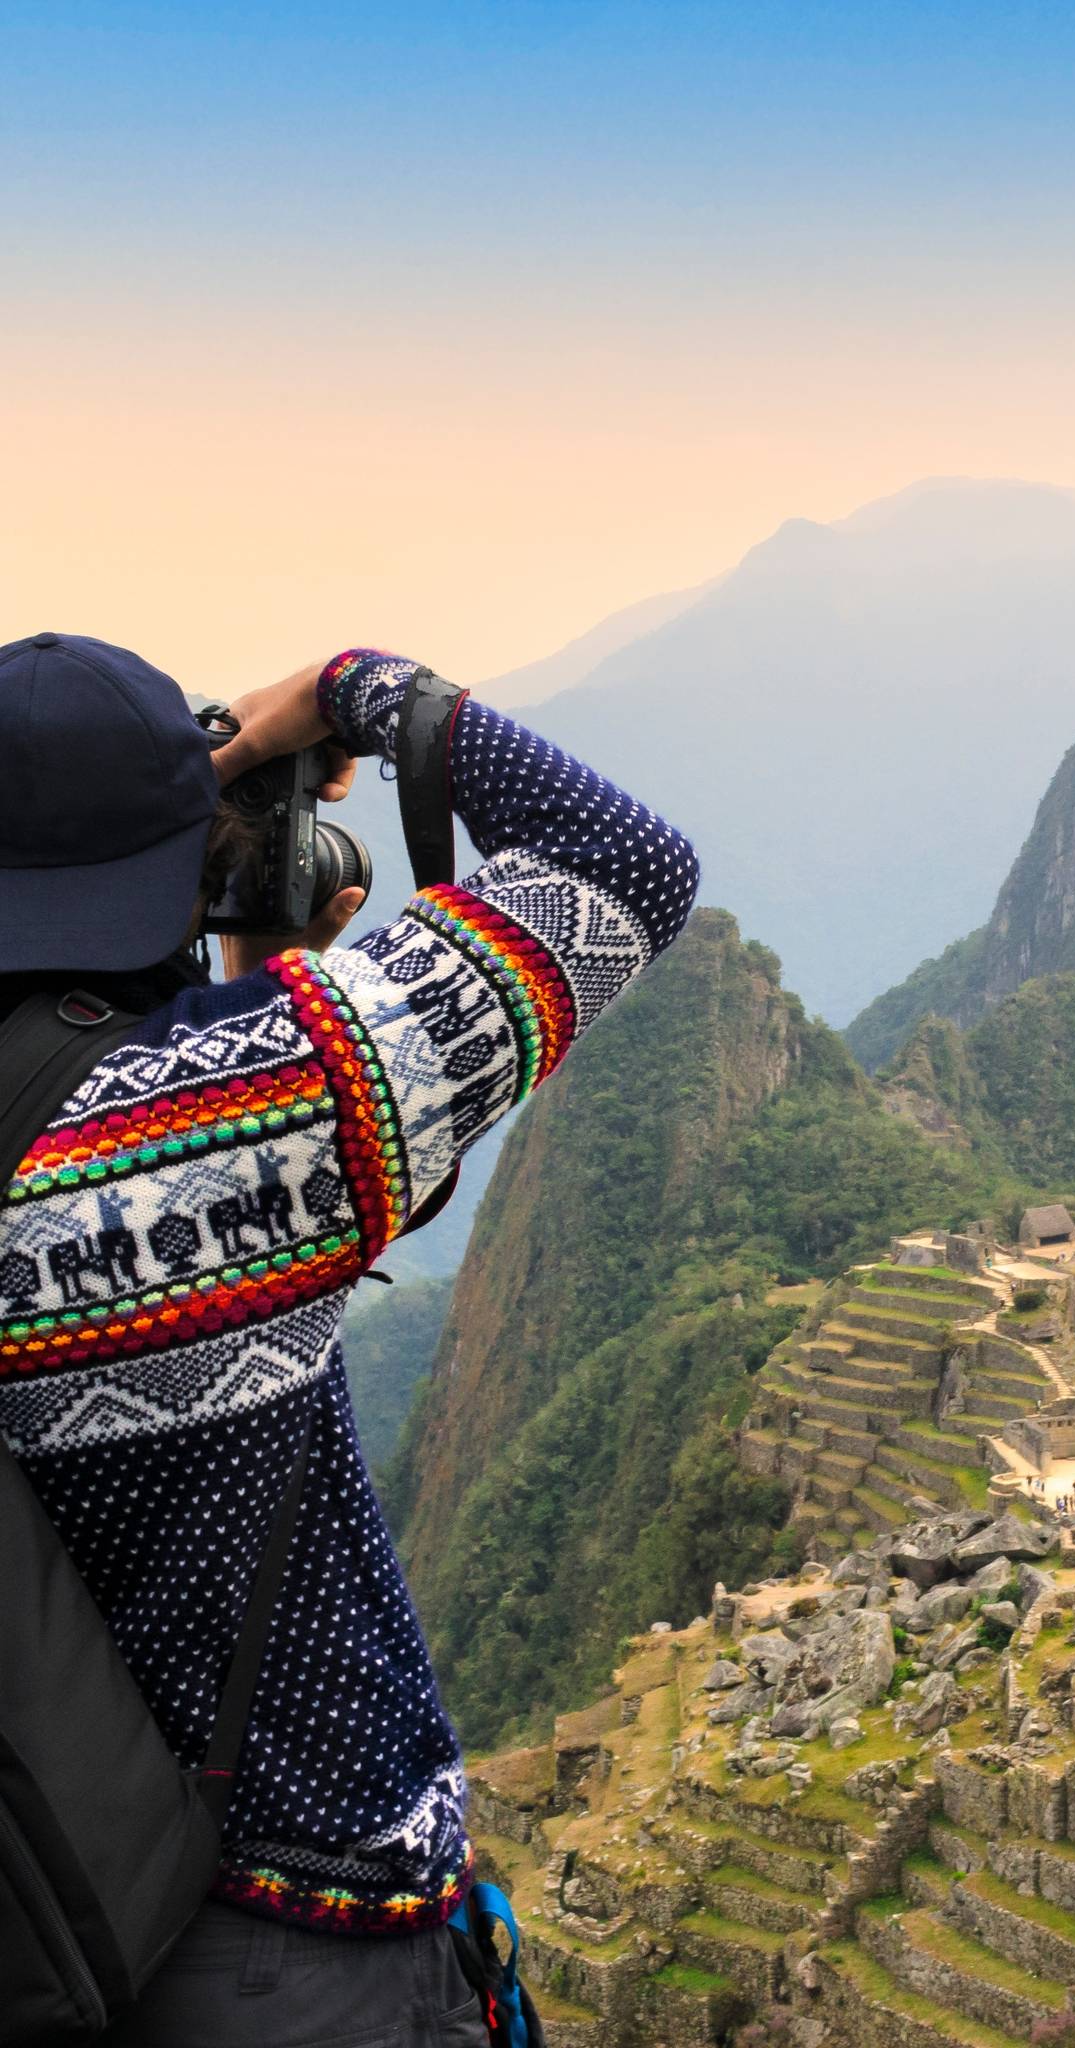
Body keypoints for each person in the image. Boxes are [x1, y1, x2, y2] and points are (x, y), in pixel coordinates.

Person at [0, 639, 699, 2045]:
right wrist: (343, 690)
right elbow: (623, 863)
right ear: (184, 864)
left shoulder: (204, 1106)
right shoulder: (253, 1104)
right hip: (294, 1946)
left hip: (46, 1926)